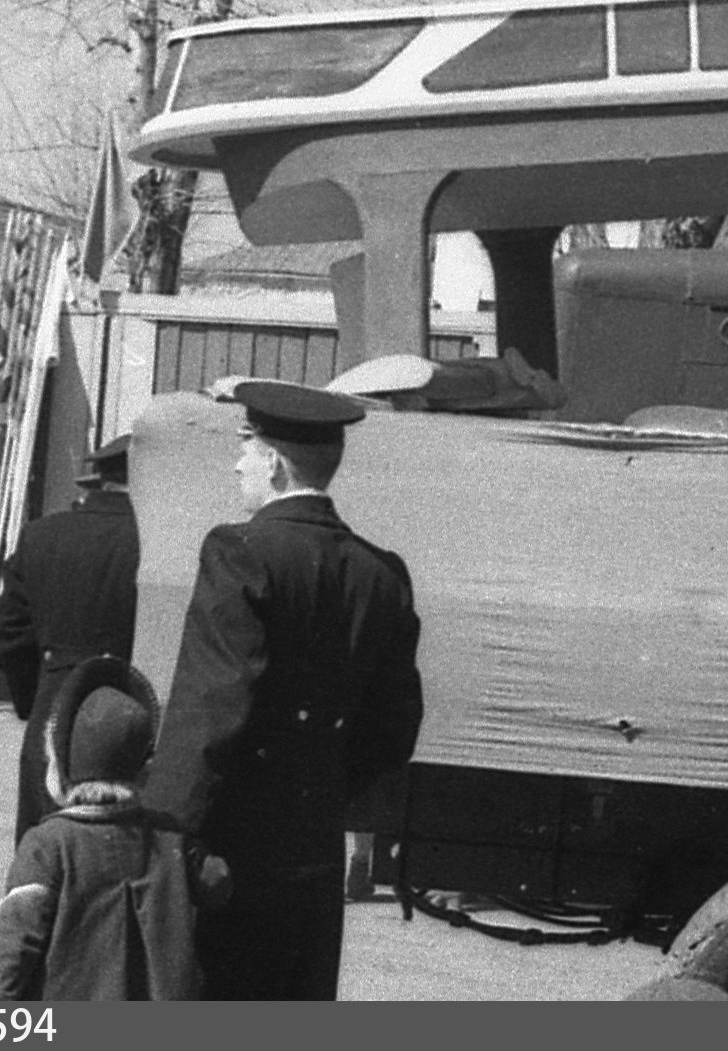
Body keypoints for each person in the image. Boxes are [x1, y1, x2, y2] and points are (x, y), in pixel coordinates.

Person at [145, 380, 424, 1001]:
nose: (237, 464)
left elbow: (210, 706)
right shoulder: (381, 573)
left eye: (245, 446)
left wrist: (165, 829)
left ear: (272, 463)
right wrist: (320, 784)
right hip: (314, 844)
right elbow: (394, 727)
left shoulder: (239, 551)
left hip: (230, 845)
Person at [0, 657, 229, 1001]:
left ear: (61, 765)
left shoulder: (48, 846)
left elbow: (11, 955)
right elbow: (218, 883)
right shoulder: (171, 839)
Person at [0, 436, 144, 837]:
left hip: (54, 707)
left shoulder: (41, 536)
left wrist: (35, 699)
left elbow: (7, 633)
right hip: (134, 714)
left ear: (98, 480)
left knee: (45, 847)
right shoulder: (160, 543)